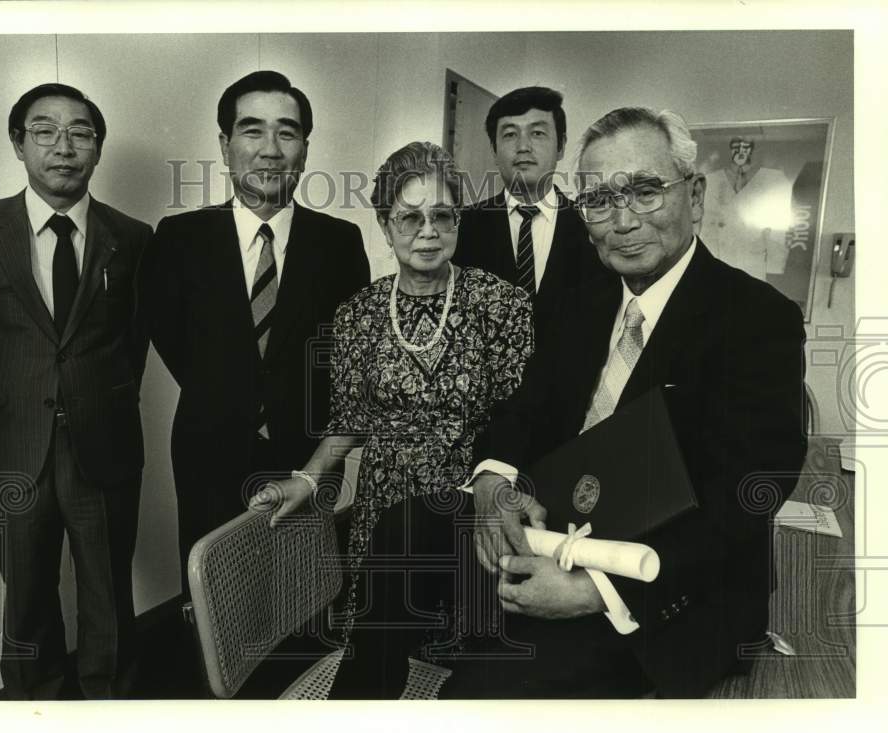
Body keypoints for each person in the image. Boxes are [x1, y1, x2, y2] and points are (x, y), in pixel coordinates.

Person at [459, 107, 806, 699]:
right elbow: (524, 407)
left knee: (486, 690)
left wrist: (599, 587)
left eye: (645, 191)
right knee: (398, 539)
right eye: (598, 200)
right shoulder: (576, 301)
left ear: (694, 196)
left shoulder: (758, 319)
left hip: (667, 585)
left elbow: (749, 494)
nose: (621, 222)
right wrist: (493, 484)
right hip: (554, 533)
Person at [252, 142, 534, 698]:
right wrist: (307, 479)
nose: (426, 231)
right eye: (409, 216)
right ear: (385, 224)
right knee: (384, 661)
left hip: (467, 514)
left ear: (458, 221)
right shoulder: (357, 314)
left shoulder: (501, 304)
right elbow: (349, 418)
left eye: (442, 215)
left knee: (467, 677)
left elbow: (523, 419)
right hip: (382, 519)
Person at [0, 83, 153, 699]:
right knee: (26, 593)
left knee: (108, 591)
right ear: (18, 143)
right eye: (45, 131)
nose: (64, 148)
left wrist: (98, 396)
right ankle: (35, 713)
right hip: (16, 442)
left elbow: (133, 341)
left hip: (104, 442)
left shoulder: (132, 236)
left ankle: (105, 707)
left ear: (98, 148)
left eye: (81, 133)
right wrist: (13, 399)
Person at [140, 71, 369, 598]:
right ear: (225, 146)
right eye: (252, 131)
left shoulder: (339, 242)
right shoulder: (180, 238)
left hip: (306, 455)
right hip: (208, 448)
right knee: (213, 599)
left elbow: (349, 354)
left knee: (299, 598)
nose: (270, 150)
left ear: (305, 149)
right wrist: (232, 397)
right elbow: (171, 337)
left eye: (287, 132)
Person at [453, 86, 607, 338]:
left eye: (537, 133)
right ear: (493, 150)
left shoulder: (591, 224)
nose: (523, 146)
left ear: (561, 146)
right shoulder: (463, 227)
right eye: (510, 134)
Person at [699, 136, 793, 280]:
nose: (741, 152)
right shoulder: (710, 180)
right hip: (716, 259)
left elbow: (779, 230)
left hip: (751, 260)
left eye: (747, 148)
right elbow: (701, 223)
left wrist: (775, 266)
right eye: (736, 147)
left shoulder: (774, 179)